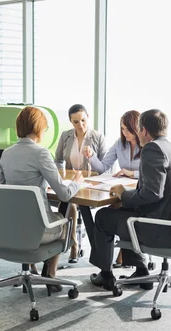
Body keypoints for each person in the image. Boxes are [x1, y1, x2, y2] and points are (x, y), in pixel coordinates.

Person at [88, 109, 171, 291]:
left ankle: (106, 275)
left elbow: (152, 194)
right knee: (125, 212)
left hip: (159, 227)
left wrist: (122, 194)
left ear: (143, 130)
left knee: (104, 216)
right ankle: (142, 271)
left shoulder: (153, 148)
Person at [0, 106, 85, 290]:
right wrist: (77, 181)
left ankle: (31, 267)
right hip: (37, 230)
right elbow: (65, 194)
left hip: (10, 227)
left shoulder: (6, 154)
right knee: (65, 217)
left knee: (36, 215)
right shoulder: (41, 153)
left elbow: (0, 192)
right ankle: (51, 273)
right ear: (39, 129)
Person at [82, 110, 142, 268]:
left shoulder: (147, 146)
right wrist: (91, 156)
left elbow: (153, 172)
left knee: (112, 213)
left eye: (129, 129)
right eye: (122, 129)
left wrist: (132, 173)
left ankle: (108, 265)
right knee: (111, 210)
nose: (125, 133)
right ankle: (105, 264)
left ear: (137, 127)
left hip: (139, 192)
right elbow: (103, 167)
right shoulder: (119, 144)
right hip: (122, 191)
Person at [55, 104, 106, 263]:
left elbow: (104, 167)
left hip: (90, 185)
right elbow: (58, 160)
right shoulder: (66, 136)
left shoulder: (98, 137)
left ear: (88, 117)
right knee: (69, 202)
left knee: (72, 204)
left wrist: (92, 157)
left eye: (83, 120)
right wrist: (60, 174)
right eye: (76, 122)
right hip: (71, 182)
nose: (80, 125)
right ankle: (73, 244)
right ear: (71, 122)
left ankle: (82, 247)